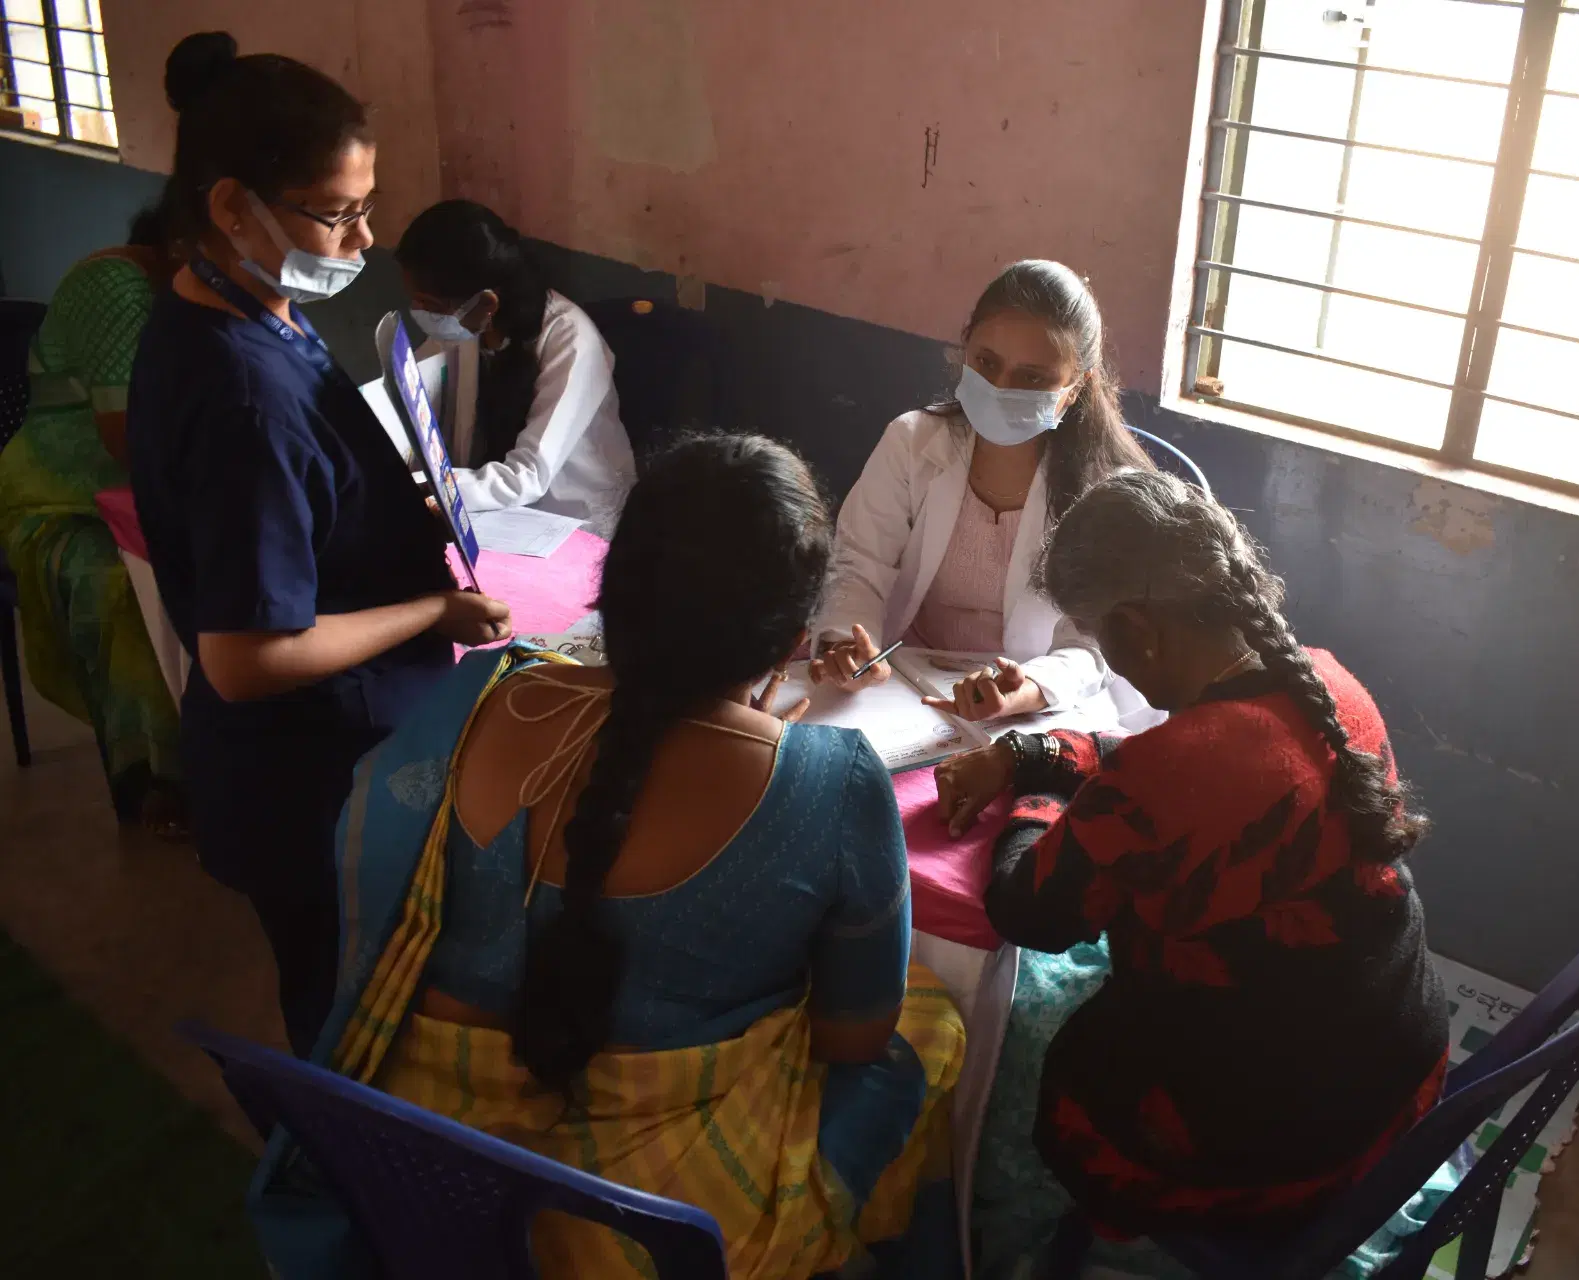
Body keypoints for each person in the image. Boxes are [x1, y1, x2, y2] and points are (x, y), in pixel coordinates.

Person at [253, 434, 964, 1280]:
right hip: (649, 1229)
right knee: (929, 1018)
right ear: (790, 643)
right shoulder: (835, 785)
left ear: (612, 593)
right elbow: (852, 1043)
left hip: (426, 1173)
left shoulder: (487, 695)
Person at [934, 470, 1451, 1277]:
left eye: (1105, 643)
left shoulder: (1180, 772)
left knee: (1018, 1052)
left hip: (1283, 1153)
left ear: (1138, 633)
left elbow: (1026, 910)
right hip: (1397, 1078)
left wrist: (1031, 794)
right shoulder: (1324, 684)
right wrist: (1031, 749)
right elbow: (1154, 771)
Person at [125, 32, 511, 1056]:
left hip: (324, 765)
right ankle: (344, 1193)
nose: (361, 238)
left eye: (363, 208)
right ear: (230, 205)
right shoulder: (241, 390)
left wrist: (387, 517)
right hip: (313, 784)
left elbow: (298, 499)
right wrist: (432, 606)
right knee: (352, 1025)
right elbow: (247, 657)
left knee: (353, 1001)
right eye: (335, 215)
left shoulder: (240, 310)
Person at [810, 260, 1153, 725]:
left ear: (1075, 390)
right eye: (986, 363)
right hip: (901, 683)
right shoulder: (911, 443)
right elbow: (858, 564)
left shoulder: (1105, 488)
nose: (999, 388)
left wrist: (1025, 691)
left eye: (1032, 378)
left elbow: (1092, 642)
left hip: (1039, 698)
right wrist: (846, 645)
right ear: (965, 349)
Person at [0, 207, 186, 834]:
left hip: (148, 493)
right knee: (121, 585)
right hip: (59, 502)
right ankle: (155, 783)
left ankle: (225, 758)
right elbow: (125, 437)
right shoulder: (116, 286)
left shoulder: (201, 296)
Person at [394, 199, 636, 537]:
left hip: (572, 519)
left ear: (487, 302)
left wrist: (428, 486)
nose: (418, 312)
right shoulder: (468, 325)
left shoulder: (570, 339)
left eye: (429, 305)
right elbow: (410, 389)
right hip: (496, 513)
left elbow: (529, 474)